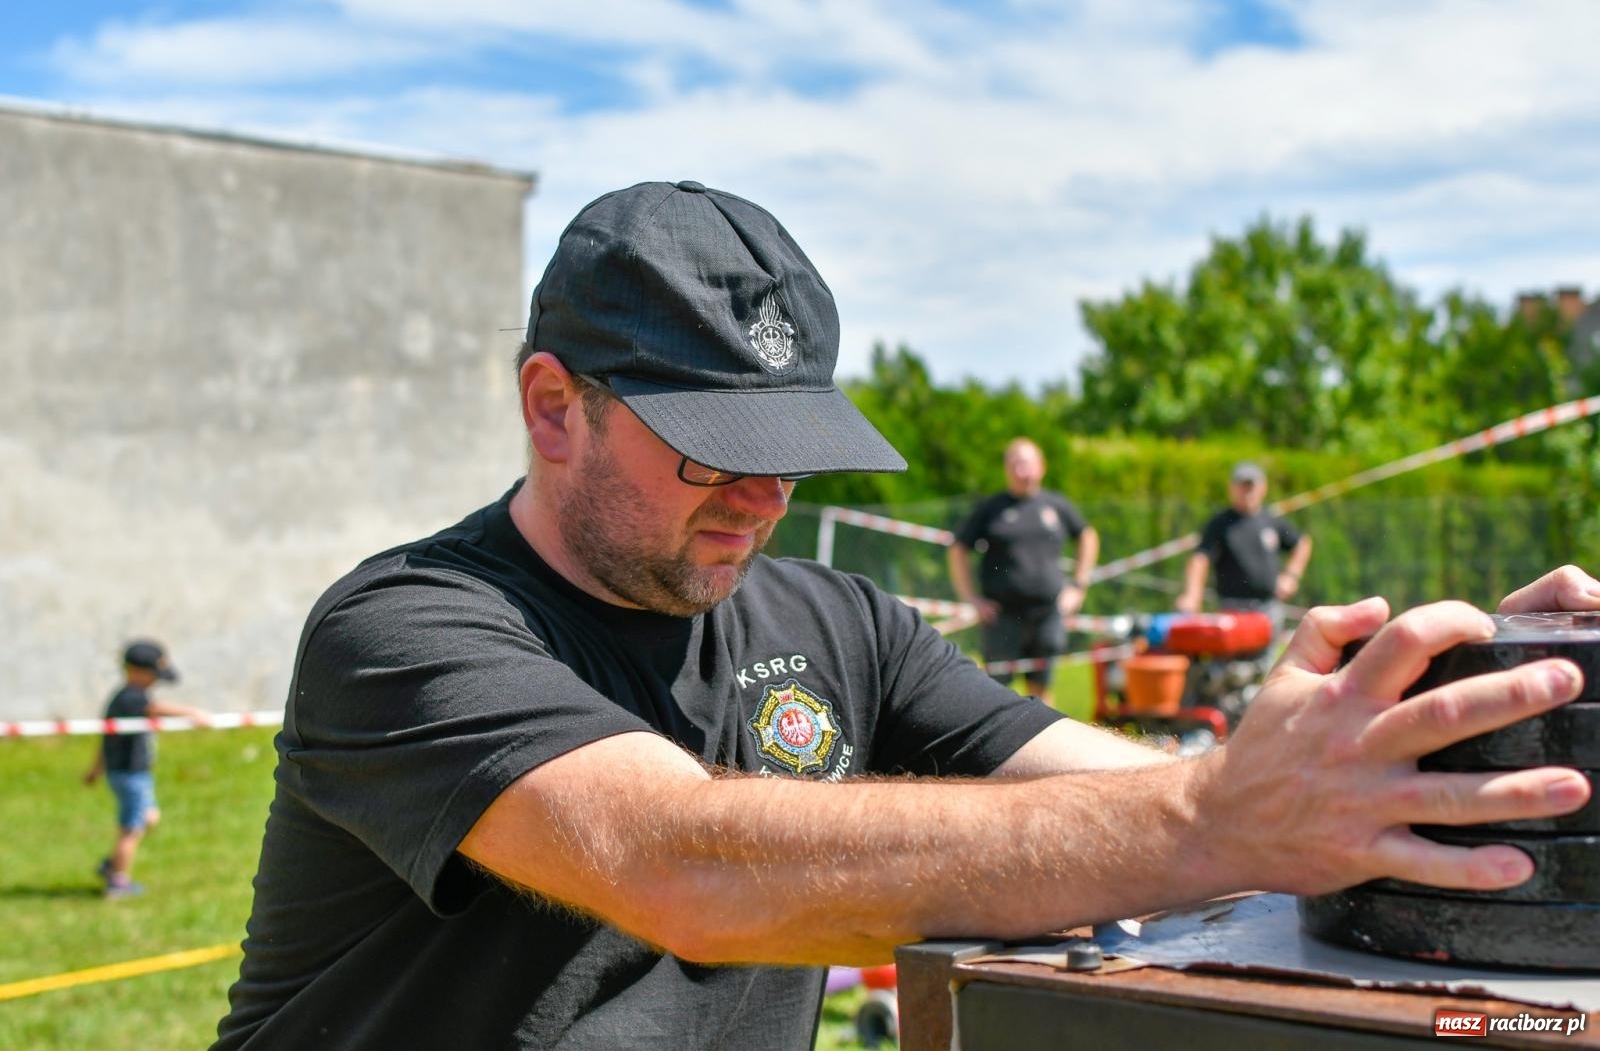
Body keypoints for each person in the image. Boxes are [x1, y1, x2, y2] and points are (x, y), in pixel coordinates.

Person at [215, 181, 1594, 1051]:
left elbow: (1124, 792)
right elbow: (678, 860)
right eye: (709, 446)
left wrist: (1436, 725)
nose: (762, 495)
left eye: (790, 445)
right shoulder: (405, 629)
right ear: (551, 406)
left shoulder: (837, 622)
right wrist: (1215, 818)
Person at [948, 438, 1099, 702]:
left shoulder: (1056, 505)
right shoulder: (991, 508)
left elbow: (1087, 536)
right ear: (1007, 469)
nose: (1022, 471)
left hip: (1047, 615)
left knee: (1042, 695)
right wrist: (970, 598)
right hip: (1002, 618)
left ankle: (1041, 742)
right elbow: (958, 548)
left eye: (1027, 464)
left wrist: (1078, 586)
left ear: (1041, 467)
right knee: (995, 695)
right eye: (1015, 465)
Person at [83, 640, 210, 898]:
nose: (155, 682)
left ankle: (112, 864)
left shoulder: (126, 697)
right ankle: (117, 881)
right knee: (132, 829)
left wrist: (97, 768)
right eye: (153, 675)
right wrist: (191, 713)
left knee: (148, 818)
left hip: (130, 773)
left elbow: (106, 739)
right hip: (130, 775)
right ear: (134, 670)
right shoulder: (130, 698)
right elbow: (155, 709)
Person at [1175, 461, 1313, 631]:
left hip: (1268, 609)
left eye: (1251, 486)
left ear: (1263, 488)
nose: (1247, 491)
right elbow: (1200, 559)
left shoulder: (1272, 521)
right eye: (1242, 486)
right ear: (1231, 488)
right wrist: (1192, 594)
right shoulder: (1221, 524)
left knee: (1269, 658)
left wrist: (1291, 576)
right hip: (1232, 609)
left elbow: (1301, 543)